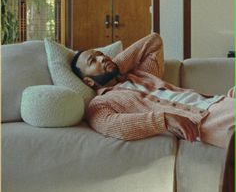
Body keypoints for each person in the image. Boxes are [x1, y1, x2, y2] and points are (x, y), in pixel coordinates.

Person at [71, 33, 234, 148]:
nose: (102, 58)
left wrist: (115, 66)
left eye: (102, 54)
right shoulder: (100, 103)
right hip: (205, 117)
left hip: (220, 100)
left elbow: (153, 41)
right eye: (93, 61)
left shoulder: (142, 75)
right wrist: (163, 119)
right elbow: (114, 126)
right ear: (88, 81)